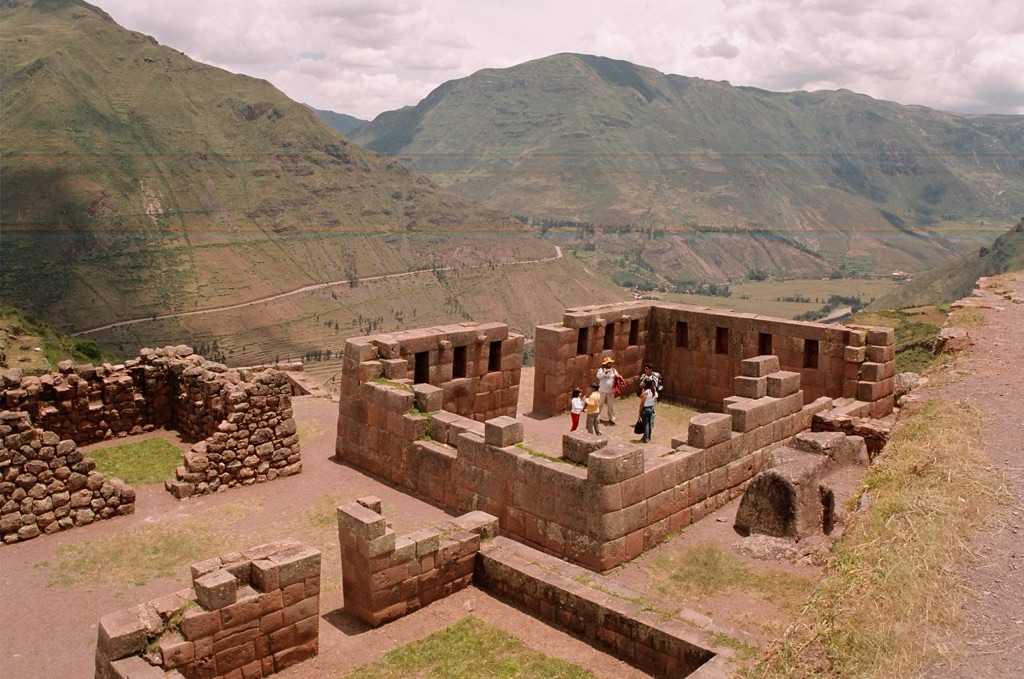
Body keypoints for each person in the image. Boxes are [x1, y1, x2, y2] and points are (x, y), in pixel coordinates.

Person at [596, 357, 621, 425]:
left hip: (611, 391)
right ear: (605, 364)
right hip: (603, 390)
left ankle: (611, 418)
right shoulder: (601, 370)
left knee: (610, 405)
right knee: (600, 404)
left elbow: (617, 375)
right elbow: (598, 377)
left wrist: (619, 376)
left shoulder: (613, 370)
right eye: (609, 363)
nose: (610, 364)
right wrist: (604, 373)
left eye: (611, 363)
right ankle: (596, 417)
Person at [637, 379, 657, 443]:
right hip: (651, 408)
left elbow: (642, 402)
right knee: (650, 423)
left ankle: (645, 438)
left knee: (646, 424)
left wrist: (639, 412)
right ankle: (649, 437)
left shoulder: (646, 392)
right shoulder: (653, 391)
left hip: (645, 409)